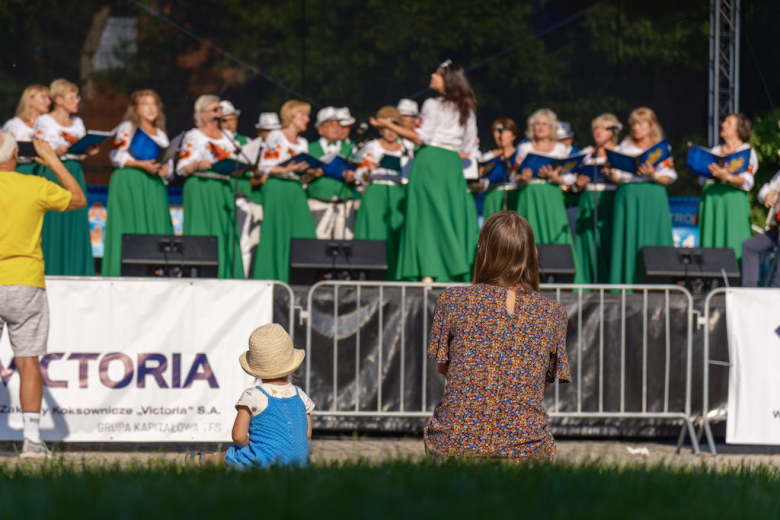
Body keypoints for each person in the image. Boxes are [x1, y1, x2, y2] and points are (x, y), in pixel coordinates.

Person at [424, 211, 571, 463]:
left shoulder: (451, 300)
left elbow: (445, 368)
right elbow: (541, 383)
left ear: (484, 252)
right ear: (529, 254)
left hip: (453, 442)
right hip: (526, 446)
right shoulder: (552, 313)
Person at [0, 132, 87, 457]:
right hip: (26, 282)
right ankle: (32, 440)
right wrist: (51, 159)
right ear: (16, 157)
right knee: (28, 363)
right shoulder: (33, 186)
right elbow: (78, 199)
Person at [371, 60, 479, 282]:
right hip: (451, 164)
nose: (432, 75)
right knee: (448, 213)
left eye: (437, 74)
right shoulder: (466, 110)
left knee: (426, 215)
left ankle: (428, 271)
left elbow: (422, 137)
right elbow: (468, 147)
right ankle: (453, 269)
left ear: (447, 79)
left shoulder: (432, 104)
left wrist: (389, 126)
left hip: (430, 160)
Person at [186, 323, 314, 467]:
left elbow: (238, 436)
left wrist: (251, 445)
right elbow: (306, 433)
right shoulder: (301, 395)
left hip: (263, 462)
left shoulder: (253, 396)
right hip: (300, 464)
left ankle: (202, 461)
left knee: (233, 453)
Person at [101, 90, 173, 277]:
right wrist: (140, 164)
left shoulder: (161, 134)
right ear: (136, 109)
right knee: (130, 225)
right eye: (145, 104)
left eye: (154, 104)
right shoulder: (128, 128)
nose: (151, 108)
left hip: (153, 185)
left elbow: (168, 161)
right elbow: (116, 156)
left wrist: (166, 169)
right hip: (131, 181)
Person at [33, 79, 98, 276]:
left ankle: (75, 270)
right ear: (59, 100)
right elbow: (38, 148)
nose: (77, 101)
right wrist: (56, 151)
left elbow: (78, 152)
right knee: (54, 218)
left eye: (77, 96)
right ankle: (52, 268)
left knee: (75, 216)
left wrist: (88, 153)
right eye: (73, 97)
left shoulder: (78, 122)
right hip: (54, 171)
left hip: (74, 171)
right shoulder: (44, 121)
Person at [176, 95, 244, 278]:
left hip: (222, 188)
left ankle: (227, 274)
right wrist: (198, 164)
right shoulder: (194, 135)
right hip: (201, 186)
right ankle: (199, 274)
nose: (219, 113)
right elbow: (182, 167)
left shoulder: (229, 138)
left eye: (219, 109)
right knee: (202, 230)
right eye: (215, 110)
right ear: (203, 115)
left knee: (225, 233)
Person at [608, 107, 676, 285]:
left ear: (651, 125)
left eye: (640, 123)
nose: (636, 128)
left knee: (653, 237)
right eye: (633, 124)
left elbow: (668, 177)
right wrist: (611, 172)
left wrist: (653, 174)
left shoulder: (661, 148)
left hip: (652, 196)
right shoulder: (624, 147)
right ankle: (627, 283)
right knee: (628, 239)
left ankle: (657, 282)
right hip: (628, 197)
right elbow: (616, 176)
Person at [252, 99, 317, 282]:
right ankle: (274, 276)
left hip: (295, 189)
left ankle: (300, 277)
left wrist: (311, 172)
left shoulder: (303, 143)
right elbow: (266, 166)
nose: (307, 119)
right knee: (277, 232)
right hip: (277, 188)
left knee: (302, 231)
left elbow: (300, 173)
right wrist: (288, 169)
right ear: (291, 117)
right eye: (302, 115)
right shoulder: (276, 136)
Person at [354, 106, 412, 280]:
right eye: (386, 127)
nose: (390, 132)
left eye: (393, 126)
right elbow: (359, 174)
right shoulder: (372, 146)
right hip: (376, 191)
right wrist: (369, 169)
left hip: (398, 192)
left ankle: (396, 276)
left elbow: (410, 173)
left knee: (395, 234)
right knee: (375, 233)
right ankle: (371, 275)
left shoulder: (406, 147)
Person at [698, 114, 758, 265]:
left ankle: (735, 282)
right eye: (724, 121)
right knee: (711, 243)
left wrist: (728, 177)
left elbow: (747, 180)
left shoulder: (747, 151)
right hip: (712, 201)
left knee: (734, 240)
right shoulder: (716, 150)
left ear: (739, 129)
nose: (723, 124)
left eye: (729, 123)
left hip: (733, 199)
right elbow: (706, 181)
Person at [575, 113, 621, 284]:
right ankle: (586, 284)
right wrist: (577, 184)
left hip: (608, 201)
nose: (598, 132)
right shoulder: (586, 154)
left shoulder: (619, 153)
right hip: (587, 200)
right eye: (596, 128)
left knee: (607, 242)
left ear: (612, 131)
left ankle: (610, 283)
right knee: (588, 242)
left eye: (603, 128)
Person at [307, 107, 357, 239]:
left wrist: (353, 177)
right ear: (320, 130)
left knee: (346, 244)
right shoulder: (309, 148)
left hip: (344, 203)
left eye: (338, 124)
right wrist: (312, 174)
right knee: (318, 243)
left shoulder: (351, 148)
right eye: (330, 124)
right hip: (319, 202)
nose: (336, 128)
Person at [742, 169, 780, 287]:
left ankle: (776, 289)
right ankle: (749, 290)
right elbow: (765, 189)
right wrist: (767, 195)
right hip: (776, 228)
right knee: (750, 246)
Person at [3, 84, 51, 176]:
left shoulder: (48, 124)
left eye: (48, 98)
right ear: (31, 101)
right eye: (44, 98)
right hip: (20, 170)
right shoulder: (14, 125)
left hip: (44, 172)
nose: (48, 101)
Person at [478, 117, 520, 220]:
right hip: (493, 198)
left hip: (514, 198)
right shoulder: (487, 158)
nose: (500, 135)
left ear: (513, 135)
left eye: (505, 130)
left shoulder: (519, 154)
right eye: (496, 131)